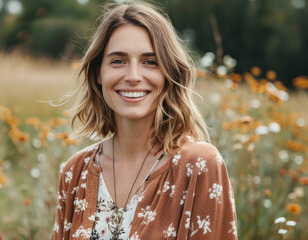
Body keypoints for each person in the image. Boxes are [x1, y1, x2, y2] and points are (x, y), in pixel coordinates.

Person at [51, 1, 237, 239]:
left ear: (169, 73)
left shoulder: (199, 165)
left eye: (150, 62)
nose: (133, 77)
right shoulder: (75, 171)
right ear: (99, 73)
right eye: (118, 60)